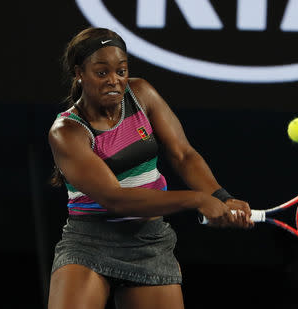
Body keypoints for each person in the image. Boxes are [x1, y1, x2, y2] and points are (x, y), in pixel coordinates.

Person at [47, 27, 253, 309]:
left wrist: (220, 197)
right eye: (102, 72)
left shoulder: (141, 93)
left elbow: (183, 155)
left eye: (121, 71)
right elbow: (115, 200)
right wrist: (197, 199)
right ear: (79, 73)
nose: (115, 81)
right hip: (89, 241)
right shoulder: (67, 131)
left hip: (149, 240)